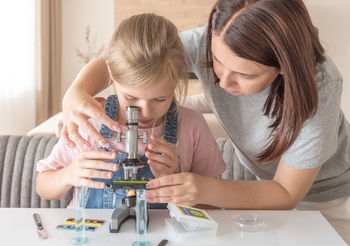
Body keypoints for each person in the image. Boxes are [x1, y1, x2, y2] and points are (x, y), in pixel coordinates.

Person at [60, 0, 350, 244]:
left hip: (328, 200)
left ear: (284, 68)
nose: (222, 82)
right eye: (215, 62)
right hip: (266, 190)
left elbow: (286, 193)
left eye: (245, 75)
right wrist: (75, 92)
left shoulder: (320, 85)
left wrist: (201, 189)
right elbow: (124, 60)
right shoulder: (206, 42)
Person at [36, 13, 226, 209]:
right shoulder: (90, 123)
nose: (145, 110)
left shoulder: (192, 126)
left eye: (160, 99)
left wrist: (176, 181)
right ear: (111, 77)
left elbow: (212, 206)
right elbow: (43, 186)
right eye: (131, 98)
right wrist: (68, 175)